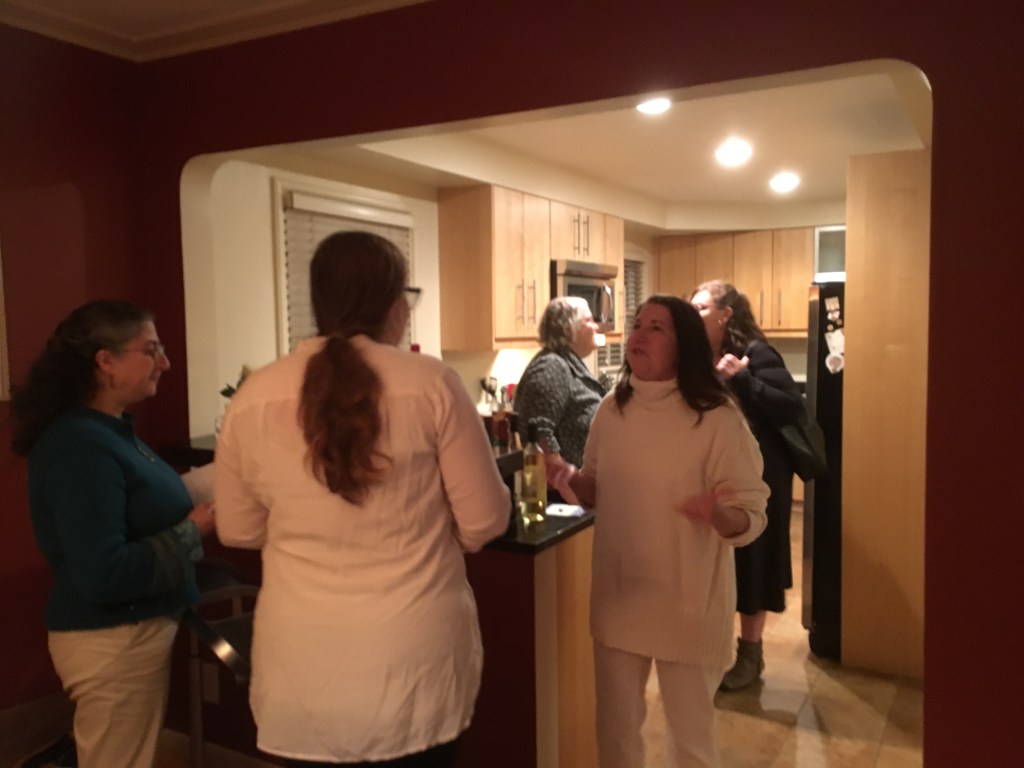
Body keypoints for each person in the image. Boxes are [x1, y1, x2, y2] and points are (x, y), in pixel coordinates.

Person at [214, 231, 510, 767]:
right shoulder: (431, 384)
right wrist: (430, 529)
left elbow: (237, 528)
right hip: (413, 665)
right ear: (395, 306)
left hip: (300, 668)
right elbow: (485, 520)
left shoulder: (253, 396)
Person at [550, 294, 769, 768]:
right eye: (638, 324)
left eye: (656, 328)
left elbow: (752, 515)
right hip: (621, 598)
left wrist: (717, 512)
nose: (639, 335)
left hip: (688, 602)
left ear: (683, 345)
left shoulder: (716, 418)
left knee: (691, 744)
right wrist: (568, 478)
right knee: (616, 735)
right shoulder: (612, 410)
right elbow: (597, 488)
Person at [10, 300, 216, 768]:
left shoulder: (110, 431)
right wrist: (192, 532)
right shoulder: (80, 445)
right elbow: (103, 572)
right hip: (112, 642)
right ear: (106, 361)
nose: (165, 362)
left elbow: (146, 502)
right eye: (151, 349)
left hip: (128, 637)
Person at [690, 280, 805, 691]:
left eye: (701, 307)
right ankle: (719, 647)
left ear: (726, 314)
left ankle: (751, 655)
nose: (693, 314)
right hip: (718, 471)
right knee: (724, 562)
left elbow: (791, 406)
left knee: (755, 561)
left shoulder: (757, 353)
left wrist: (742, 379)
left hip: (761, 475)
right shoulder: (700, 358)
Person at [513, 296, 603, 501]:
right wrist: (570, 488)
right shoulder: (552, 367)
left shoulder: (568, 363)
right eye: (589, 320)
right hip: (562, 499)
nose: (596, 326)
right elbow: (538, 434)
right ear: (569, 329)